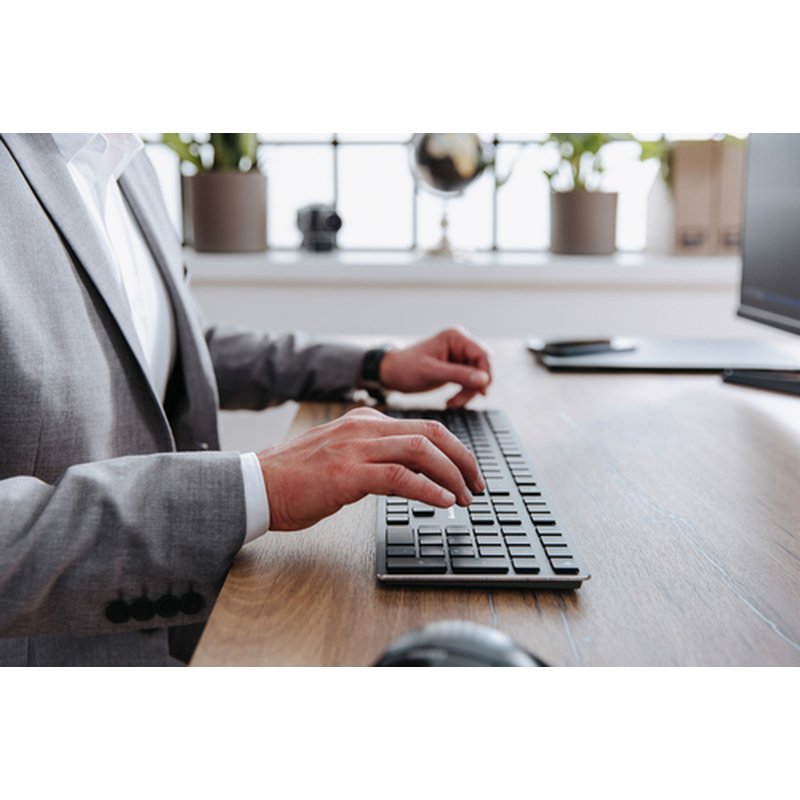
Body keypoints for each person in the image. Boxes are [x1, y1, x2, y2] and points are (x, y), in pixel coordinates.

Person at [0, 133, 492, 666]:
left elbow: (169, 348)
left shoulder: (127, 160)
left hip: (185, 629)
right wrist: (255, 486)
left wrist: (374, 364)